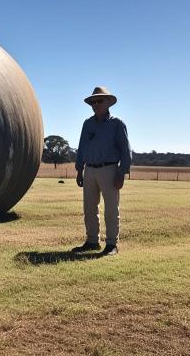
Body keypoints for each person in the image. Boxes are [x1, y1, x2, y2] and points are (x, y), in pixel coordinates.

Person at [72, 86, 131, 256]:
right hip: (89, 170)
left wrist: (121, 173)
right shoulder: (87, 124)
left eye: (99, 101)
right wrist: (79, 169)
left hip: (110, 170)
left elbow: (126, 151)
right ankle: (92, 241)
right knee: (89, 209)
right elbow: (82, 147)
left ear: (108, 103)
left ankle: (112, 244)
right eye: (93, 101)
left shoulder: (117, 124)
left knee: (111, 209)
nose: (95, 104)